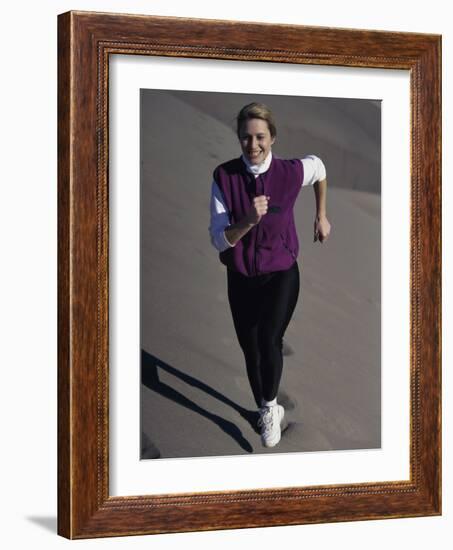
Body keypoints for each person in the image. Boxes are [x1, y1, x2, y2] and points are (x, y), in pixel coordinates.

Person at [209, 102, 331, 448]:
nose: (253, 144)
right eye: (246, 137)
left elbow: (319, 168)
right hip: (241, 275)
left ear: (272, 138)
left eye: (260, 136)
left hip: (281, 272)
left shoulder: (290, 173)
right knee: (249, 348)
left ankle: (268, 408)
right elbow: (218, 239)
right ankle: (266, 405)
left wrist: (321, 215)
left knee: (268, 340)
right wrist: (247, 220)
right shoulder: (224, 177)